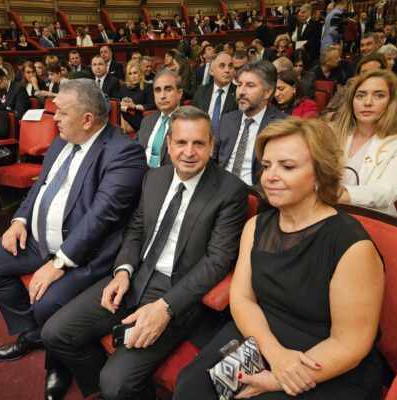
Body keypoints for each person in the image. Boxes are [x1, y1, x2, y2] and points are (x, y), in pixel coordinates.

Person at [41, 105, 248, 400]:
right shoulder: (154, 178)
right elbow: (136, 230)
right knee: (55, 333)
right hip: (134, 277)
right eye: (181, 142)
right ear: (169, 144)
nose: (189, 152)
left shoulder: (231, 191)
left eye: (199, 143)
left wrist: (166, 307)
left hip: (178, 292)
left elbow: (217, 261)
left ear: (212, 145)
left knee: (116, 383)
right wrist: (123, 271)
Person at [174, 117, 385, 400]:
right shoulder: (256, 227)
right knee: (192, 386)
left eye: (287, 167)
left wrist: (277, 378)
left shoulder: (352, 246)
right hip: (261, 335)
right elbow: (242, 299)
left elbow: (350, 344)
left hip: (327, 359)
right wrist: (274, 353)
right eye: (266, 166)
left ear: (320, 174)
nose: (270, 177)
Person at [0, 79, 147, 397]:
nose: (55, 119)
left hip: (85, 253)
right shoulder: (64, 139)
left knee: (47, 301)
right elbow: (40, 187)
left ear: (87, 119)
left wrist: (60, 263)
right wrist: (20, 220)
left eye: (61, 112)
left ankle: (58, 363)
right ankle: (32, 333)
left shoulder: (124, 152)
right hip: (38, 240)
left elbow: (101, 218)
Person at [335, 70, 397, 215]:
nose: (367, 102)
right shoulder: (331, 133)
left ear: (392, 102)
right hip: (322, 213)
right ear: (351, 101)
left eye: (379, 95)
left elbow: (386, 192)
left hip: (370, 218)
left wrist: (334, 195)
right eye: (360, 95)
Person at [212, 60, 287, 186]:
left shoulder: (282, 125)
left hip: (256, 192)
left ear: (267, 92)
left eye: (250, 85)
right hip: (221, 186)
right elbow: (213, 160)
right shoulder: (227, 120)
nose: (241, 91)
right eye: (239, 84)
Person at [137, 69, 183, 168]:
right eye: (158, 90)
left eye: (168, 89)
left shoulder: (188, 123)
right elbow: (135, 146)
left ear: (180, 93)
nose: (162, 96)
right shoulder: (147, 119)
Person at [193, 52, 238, 133]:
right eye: (222, 66)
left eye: (230, 66)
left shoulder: (238, 93)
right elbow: (194, 118)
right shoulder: (201, 91)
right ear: (211, 71)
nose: (227, 70)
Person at [116, 60, 155, 132]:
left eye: (135, 73)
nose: (133, 76)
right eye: (130, 74)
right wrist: (121, 103)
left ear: (140, 73)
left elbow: (152, 105)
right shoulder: (124, 87)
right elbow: (117, 101)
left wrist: (134, 106)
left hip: (139, 118)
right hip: (125, 114)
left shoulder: (147, 86)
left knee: (117, 120)